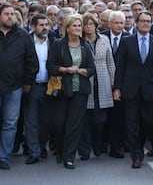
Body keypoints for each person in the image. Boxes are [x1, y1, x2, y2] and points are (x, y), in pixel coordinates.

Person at [0, 4, 39, 170]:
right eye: (6, 14)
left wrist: (27, 81)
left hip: (14, 86)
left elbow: (32, 62)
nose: (10, 17)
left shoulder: (23, 36)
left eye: (12, 14)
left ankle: (4, 156)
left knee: (10, 123)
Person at [113, 11, 153, 169]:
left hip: (150, 89)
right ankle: (136, 155)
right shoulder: (127, 41)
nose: (145, 24)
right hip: (130, 89)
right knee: (132, 122)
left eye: (148, 21)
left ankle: (140, 145)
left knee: (148, 121)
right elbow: (120, 66)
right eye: (142, 21)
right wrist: (117, 88)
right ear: (136, 23)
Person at [46, 14, 95, 169]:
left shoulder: (85, 45)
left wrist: (81, 71)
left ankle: (69, 157)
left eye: (79, 26)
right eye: (74, 26)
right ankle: (60, 150)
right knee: (59, 123)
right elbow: (50, 65)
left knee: (74, 124)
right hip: (62, 89)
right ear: (67, 28)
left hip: (80, 90)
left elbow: (91, 69)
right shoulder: (58, 44)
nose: (78, 28)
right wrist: (65, 69)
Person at [78, 13, 115, 160]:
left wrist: (113, 83)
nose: (88, 27)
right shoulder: (79, 41)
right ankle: (85, 149)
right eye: (85, 24)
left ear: (95, 25)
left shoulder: (104, 40)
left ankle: (98, 143)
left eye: (91, 24)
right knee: (85, 119)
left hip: (103, 82)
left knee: (100, 119)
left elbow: (110, 62)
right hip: (86, 83)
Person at [23, 14, 55, 164]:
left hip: (50, 86)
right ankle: (34, 151)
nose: (44, 28)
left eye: (46, 25)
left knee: (47, 121)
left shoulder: (54, 41)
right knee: (31, 121)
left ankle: (42, 146)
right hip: (32, 85)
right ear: (33, 26)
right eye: (41, 25)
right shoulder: (26, 41)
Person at [101, 11, 130, 158]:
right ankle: (106, 143)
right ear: (109, 23)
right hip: (104, 81)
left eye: (121, 23)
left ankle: (119, 144)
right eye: (116, 23)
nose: (119, 26)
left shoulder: (129, 38)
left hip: (124, 83)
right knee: (106, 117)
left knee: (121, 116)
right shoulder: (102, 37)